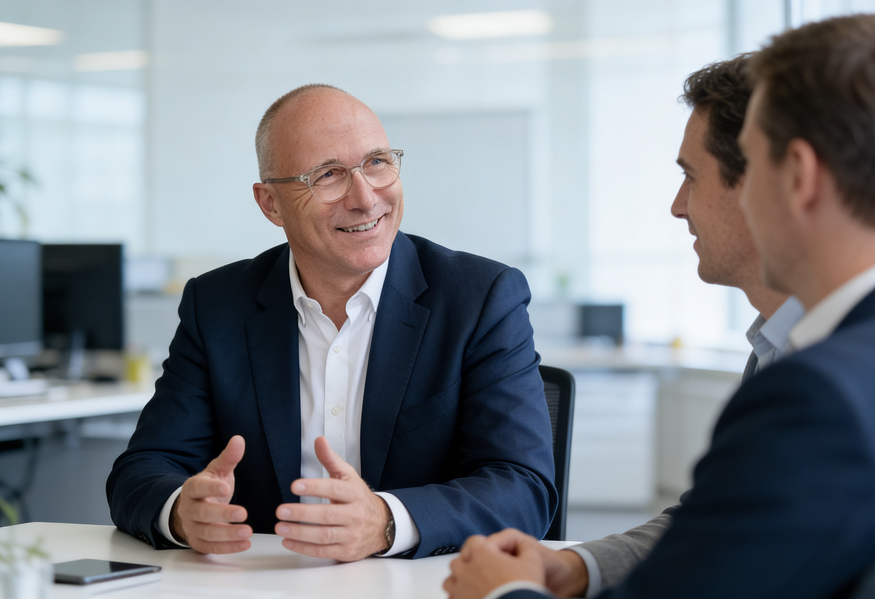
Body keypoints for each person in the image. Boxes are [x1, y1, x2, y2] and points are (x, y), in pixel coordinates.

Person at [444, 13, 875, 599]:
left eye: (694, 177)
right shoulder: (794, 347)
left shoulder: (820, 393)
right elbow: (723, 530)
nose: (677, 208)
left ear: (796, 176)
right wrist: (578, 567)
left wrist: (504, 595)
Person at [107, 84, 557, 562]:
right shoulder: (217, 304)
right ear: (270, 204)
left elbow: (523, 486)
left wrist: (385, 522)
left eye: (378, 162)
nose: (365, 198)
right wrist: (180, 512)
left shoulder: (480, 298)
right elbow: (144, 469)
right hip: (265, 586)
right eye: (327, 175)